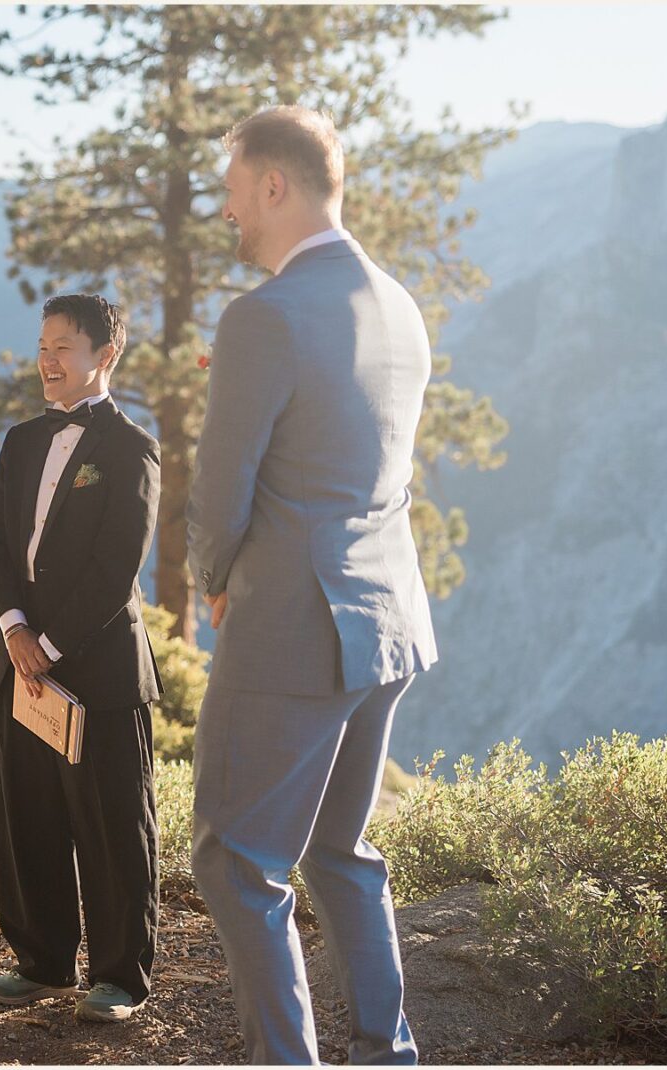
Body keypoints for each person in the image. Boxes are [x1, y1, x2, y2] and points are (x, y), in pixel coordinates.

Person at [186, 106, 438, 1064]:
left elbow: (221, 488)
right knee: (339, 851)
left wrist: (216, 582)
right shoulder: (399, 306)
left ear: (274, 186)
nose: (226, 213)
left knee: (239, 861)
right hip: (388, 624)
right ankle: (386, 1051)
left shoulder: (264, 316)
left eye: (233, 191)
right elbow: (383, 472)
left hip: (292, 630)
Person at [0, 293, 163, 1023]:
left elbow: (117, 569)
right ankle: (43, 959)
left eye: (64, 348)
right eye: (43, 345)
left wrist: (49, 646)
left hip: (101, 671)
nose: (48, 361)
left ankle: (119, 976)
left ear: (104, 356)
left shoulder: (131, 448)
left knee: (115, 825)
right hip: (21, 664)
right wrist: (16, 631)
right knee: (29, 818)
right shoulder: (21, 440)